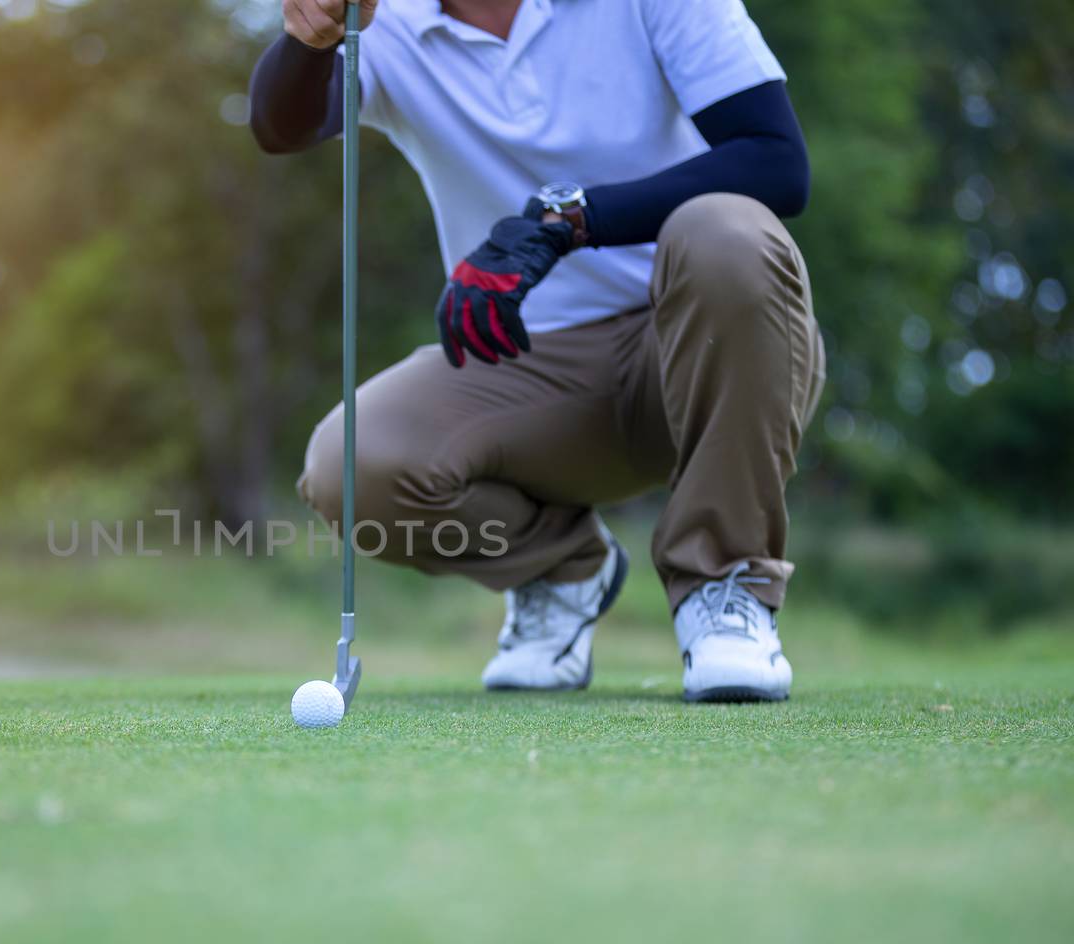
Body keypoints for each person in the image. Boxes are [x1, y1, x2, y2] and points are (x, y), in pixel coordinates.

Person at [249, 0, 826, 702]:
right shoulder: (388, 20)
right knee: (348, 464)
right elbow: (282, 126)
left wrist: (572, 219)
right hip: (536, 374)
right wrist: (309, 41)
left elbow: (775, 160)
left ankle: (724, 584)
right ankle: (561, 571)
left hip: (708, 343)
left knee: (725, 233)